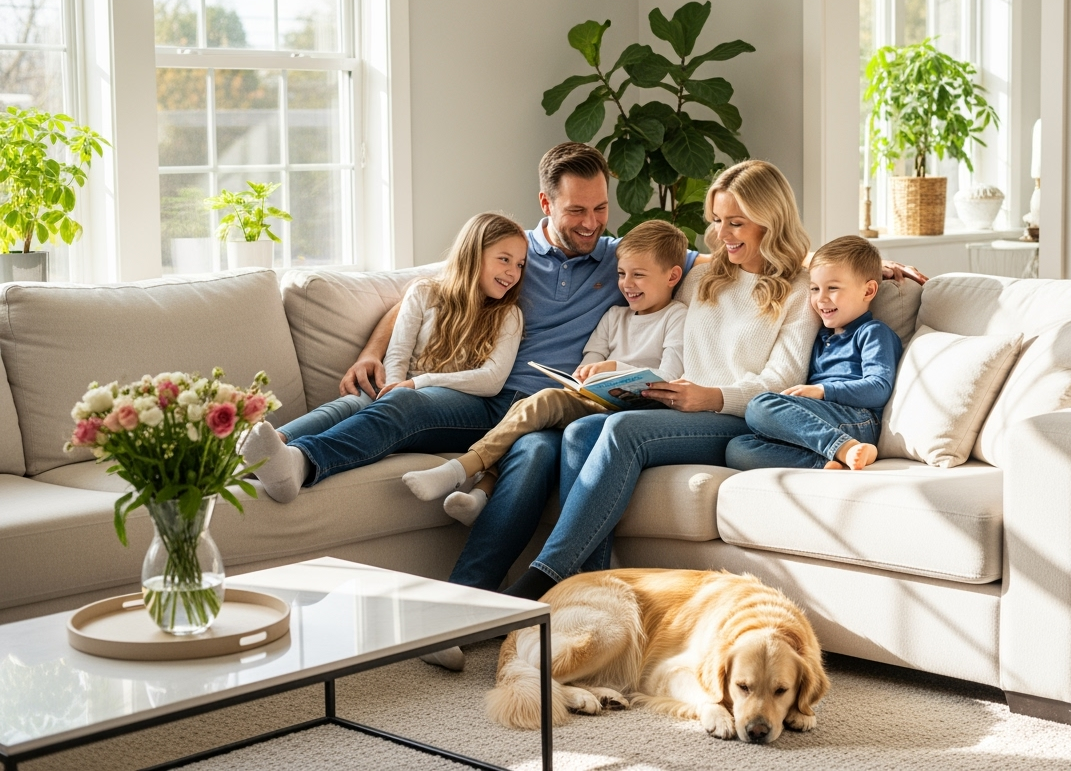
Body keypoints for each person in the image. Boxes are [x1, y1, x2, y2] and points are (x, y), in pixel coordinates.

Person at [500, 159, 821, 602]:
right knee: (578, 432)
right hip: (675, 405)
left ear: (771, 220)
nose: (723, 234)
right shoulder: (707, 277)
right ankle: (593, 596)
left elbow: (782, 380)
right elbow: (647, 281)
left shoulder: (801, 289)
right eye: (717, 221)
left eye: (736, 223)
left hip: (734, 415)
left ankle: (546, 578)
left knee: (622, 429)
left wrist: (710, 395)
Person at [401, 219, 689, 525]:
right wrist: (587, 372)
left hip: (640, 408)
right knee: (528, 418)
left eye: (638, 275)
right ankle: (482, 492)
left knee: (543, 401)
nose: (626, 284)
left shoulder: (676, 317)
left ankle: (459, 469)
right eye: (621, 274)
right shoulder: (614, 315)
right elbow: (591, 359)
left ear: (672, 276)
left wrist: (613, 367)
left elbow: (668, 375)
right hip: (595, 399)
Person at [241, 212, 528, 502]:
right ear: (472, 254)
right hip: (406, 391)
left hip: (465, 402)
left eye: (520, 264)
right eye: (504, 259)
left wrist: (417, 385)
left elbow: (491, 380)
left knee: (401, 401)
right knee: (354, 402)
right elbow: (398, 354)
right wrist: (392, 387)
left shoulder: (509, 315)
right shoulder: (424, 292)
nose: (513, 273)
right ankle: (266, 448)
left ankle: (303, 461)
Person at [725, 235, 903, 472]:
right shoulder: (819, 336)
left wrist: (822, 391)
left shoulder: (872, 332)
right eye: (815, 289)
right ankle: (828, 462)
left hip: (859, 420)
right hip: (819, 420)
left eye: (833, 288)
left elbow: (878, 388)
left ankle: (843, 446)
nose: (821, 298)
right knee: (737, 449)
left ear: (868, 291)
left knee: (759, 405)